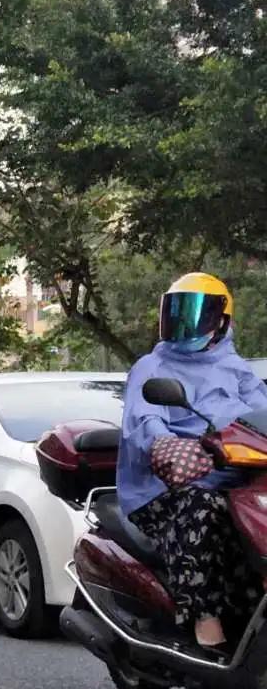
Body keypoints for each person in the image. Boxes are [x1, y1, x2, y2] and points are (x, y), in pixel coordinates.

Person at [119, 272, 267, 652]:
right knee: (204, 508)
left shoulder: (236, 368)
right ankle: (205, 614)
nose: (186, 323)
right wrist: (165, 445)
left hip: (235, 478)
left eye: (196, 313)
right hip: (169, 485)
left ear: (222, 321)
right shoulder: (151, 368)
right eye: (178, 311)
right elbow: (143, 420)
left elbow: (261, 408)